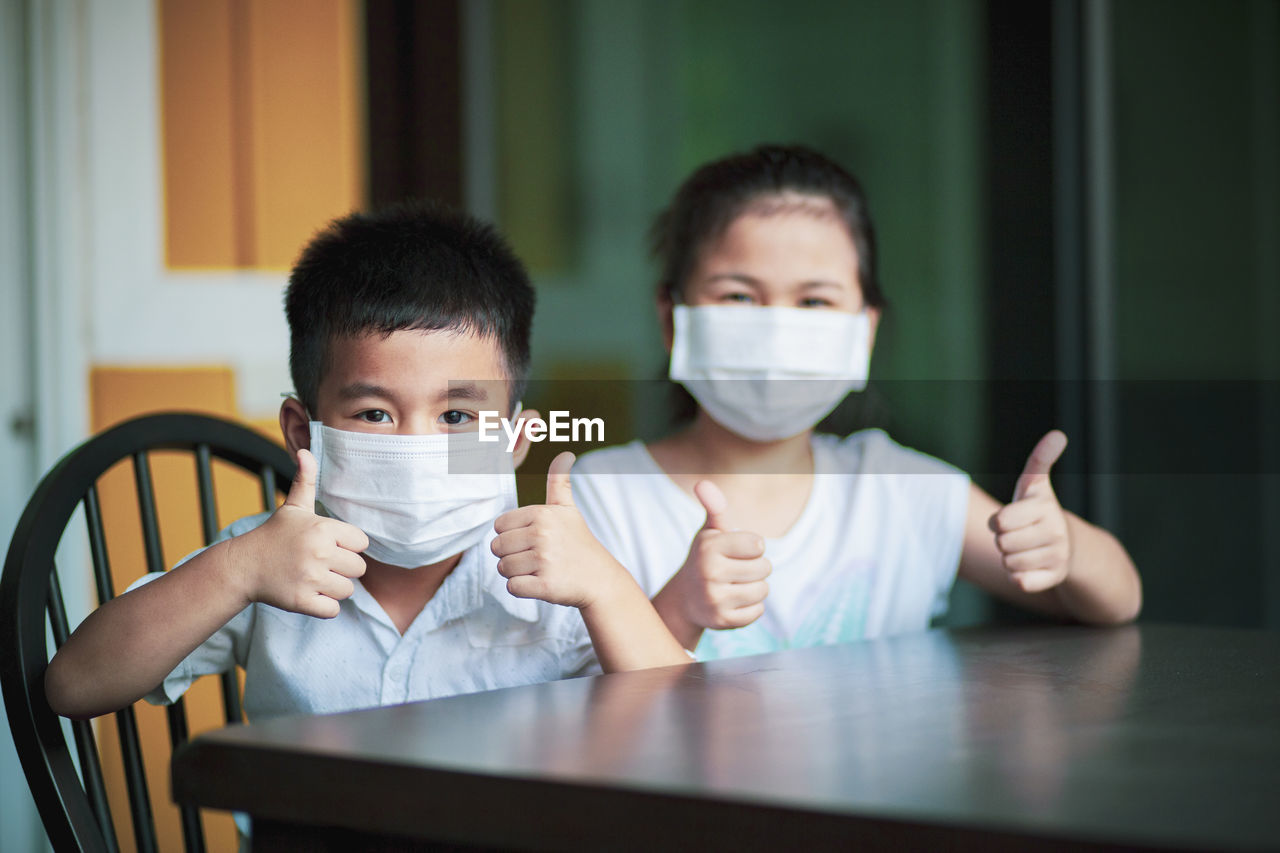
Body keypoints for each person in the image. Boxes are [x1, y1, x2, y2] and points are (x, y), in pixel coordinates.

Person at [45, 201, 689, 722]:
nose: (414, 447)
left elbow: (691, 729)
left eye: (457, 417)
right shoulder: (264, 563)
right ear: (304, 432)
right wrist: (236, 571)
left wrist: (608, 589)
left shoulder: (561, 585)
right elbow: (73, 686)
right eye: (375, 414)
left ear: (513, 442)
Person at [571, 144, 1141, 660]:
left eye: (814, 301)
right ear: (673, 320)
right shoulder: (601, 495)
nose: (777, 329)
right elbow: (585, 705)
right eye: (739, 295)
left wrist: (1065, 544)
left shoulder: (899, 489)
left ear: (864, 331)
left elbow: (1118, 600)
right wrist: (681, 609)